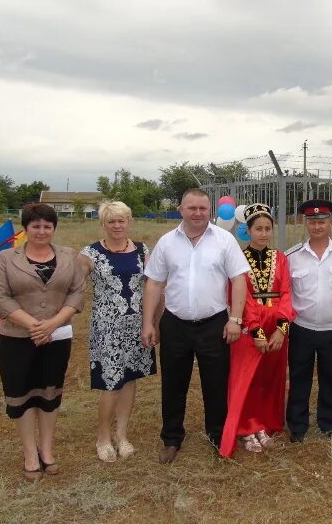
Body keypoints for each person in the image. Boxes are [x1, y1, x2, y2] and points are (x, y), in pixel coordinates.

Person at [141, 188, 250, 464]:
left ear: (209, 210)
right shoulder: (166, 242)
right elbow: (154, 283)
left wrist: (235, 319)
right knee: (173, 384)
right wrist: (148, 323)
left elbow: (238, 279)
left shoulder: (224, 240)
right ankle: (171, 438)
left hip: (214, 324)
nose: (198, 213)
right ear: (181, 209)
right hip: (175, 325)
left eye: (203, 208)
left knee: (216, 384)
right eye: (192, 208)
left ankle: (218, 435)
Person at [0, 203, 85, 481]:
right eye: (36, 226)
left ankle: (47, 451)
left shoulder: (69, 256)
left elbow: (77, 294)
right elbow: (0, 298)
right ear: (26, 228)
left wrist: (53, 324)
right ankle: (30, 453)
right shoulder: (7, 259)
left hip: (56, 339)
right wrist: (34, 325)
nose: (41, 231)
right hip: (17, 338)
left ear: (54, 228)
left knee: (49, 394)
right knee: (22, 395)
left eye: (47, 226)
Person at [79, 201, 156, 462]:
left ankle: (122, 435)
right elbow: (74, 278)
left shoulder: (143, 251)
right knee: (110, 383)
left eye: (121, 220)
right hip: (107, 328)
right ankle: (103, 437)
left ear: (129, 221)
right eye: (111, 221)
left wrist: (154, 322)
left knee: (130, 380)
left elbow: (154, 287)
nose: (117, 225)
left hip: (137, 326)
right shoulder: (90, 253)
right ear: (103, 224)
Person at [220, 204, 295, 457]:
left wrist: (281, 329)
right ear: (248, 230)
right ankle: (247, 426)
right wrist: (257, 332)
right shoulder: (238, 259)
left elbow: (286, 294)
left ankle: (265, 423)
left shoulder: (281, 259)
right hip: (249, 326)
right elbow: (243, 296)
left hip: (276, 325)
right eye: (258, 229)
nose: (263, 234)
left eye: (267, 229)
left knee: (270, 378)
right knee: (248, 377)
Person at [286, 199, 332, 442]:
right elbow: (286, 293)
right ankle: (297, 425)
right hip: (301, 328)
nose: (317, 226)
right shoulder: (292, 256)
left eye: (322, 221)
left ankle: (328, 422)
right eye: (312, 222)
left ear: (330, 222)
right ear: (305, 223)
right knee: (299, 378)